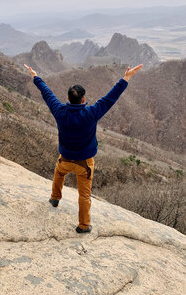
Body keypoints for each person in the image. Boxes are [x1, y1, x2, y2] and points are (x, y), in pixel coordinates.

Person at [24, 63, 143, 233]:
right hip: (84, 163)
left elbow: (47, 93)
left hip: (65, 158)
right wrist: (126, 78)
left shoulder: (59, 111)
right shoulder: (91, 113)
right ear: (83, 100)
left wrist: (36, 77)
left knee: (59, 172)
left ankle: (55, 198)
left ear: (68, 99)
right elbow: (110, 98)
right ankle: (84, 225)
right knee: (84, 194)